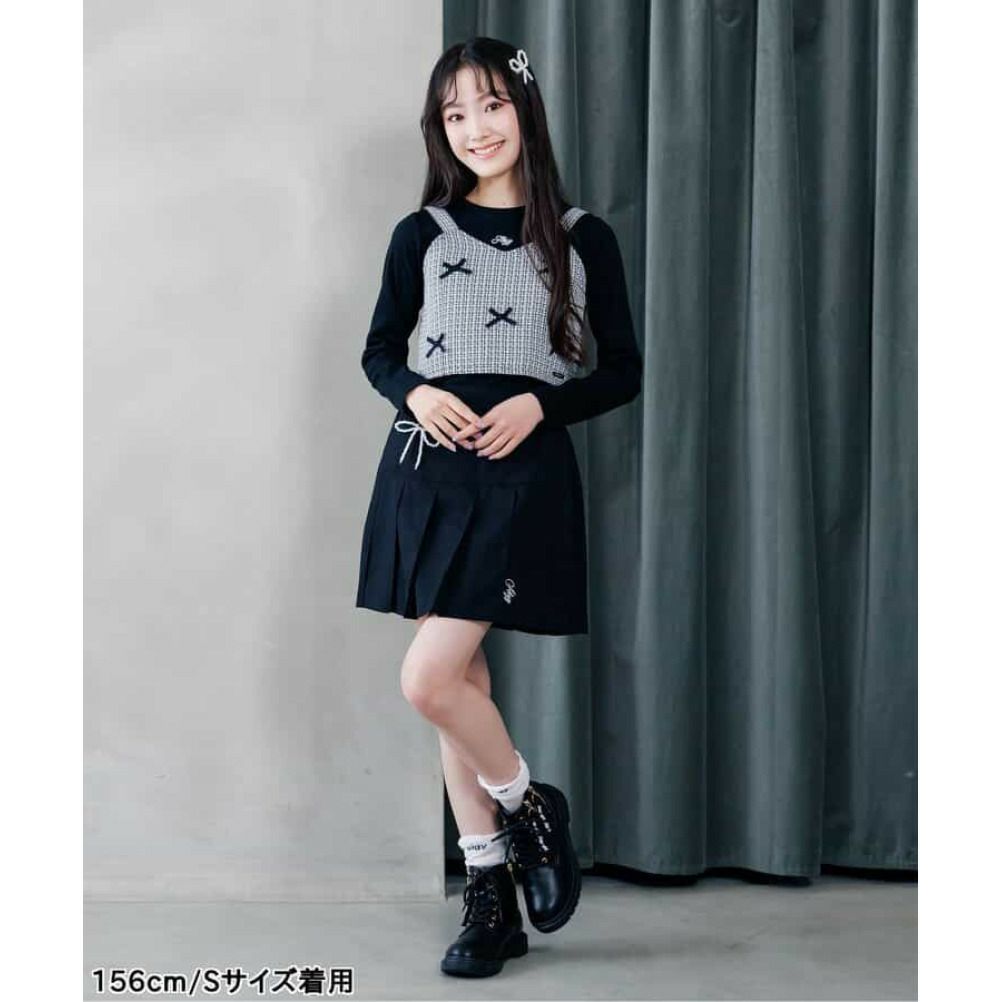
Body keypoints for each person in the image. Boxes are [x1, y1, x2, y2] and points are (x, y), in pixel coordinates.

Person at [355, 37, 642, 978]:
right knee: (460, 683)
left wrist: (541, 404)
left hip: (522, 476)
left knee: (430, 679)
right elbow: (380, 351)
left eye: (490, 105)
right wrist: (414, 392)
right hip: (428, 476)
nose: (475, 128)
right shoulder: (423, 233)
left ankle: (526, 811)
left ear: (524, 109)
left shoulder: (584, 236)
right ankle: (494, 890)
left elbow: (623, 371)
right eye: (454, 114)